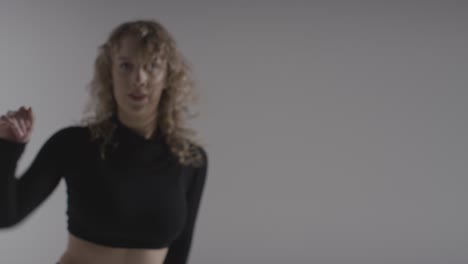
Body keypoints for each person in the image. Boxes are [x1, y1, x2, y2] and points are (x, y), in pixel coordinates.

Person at [0, 19, 208, 264]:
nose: (139, 78)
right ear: (109, 73)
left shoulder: (190, 159)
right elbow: (6, 216)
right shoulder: (72, 144)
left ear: (168, 77)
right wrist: (7, 147)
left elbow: (179, 253)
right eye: (126, 66)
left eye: (152, 66)